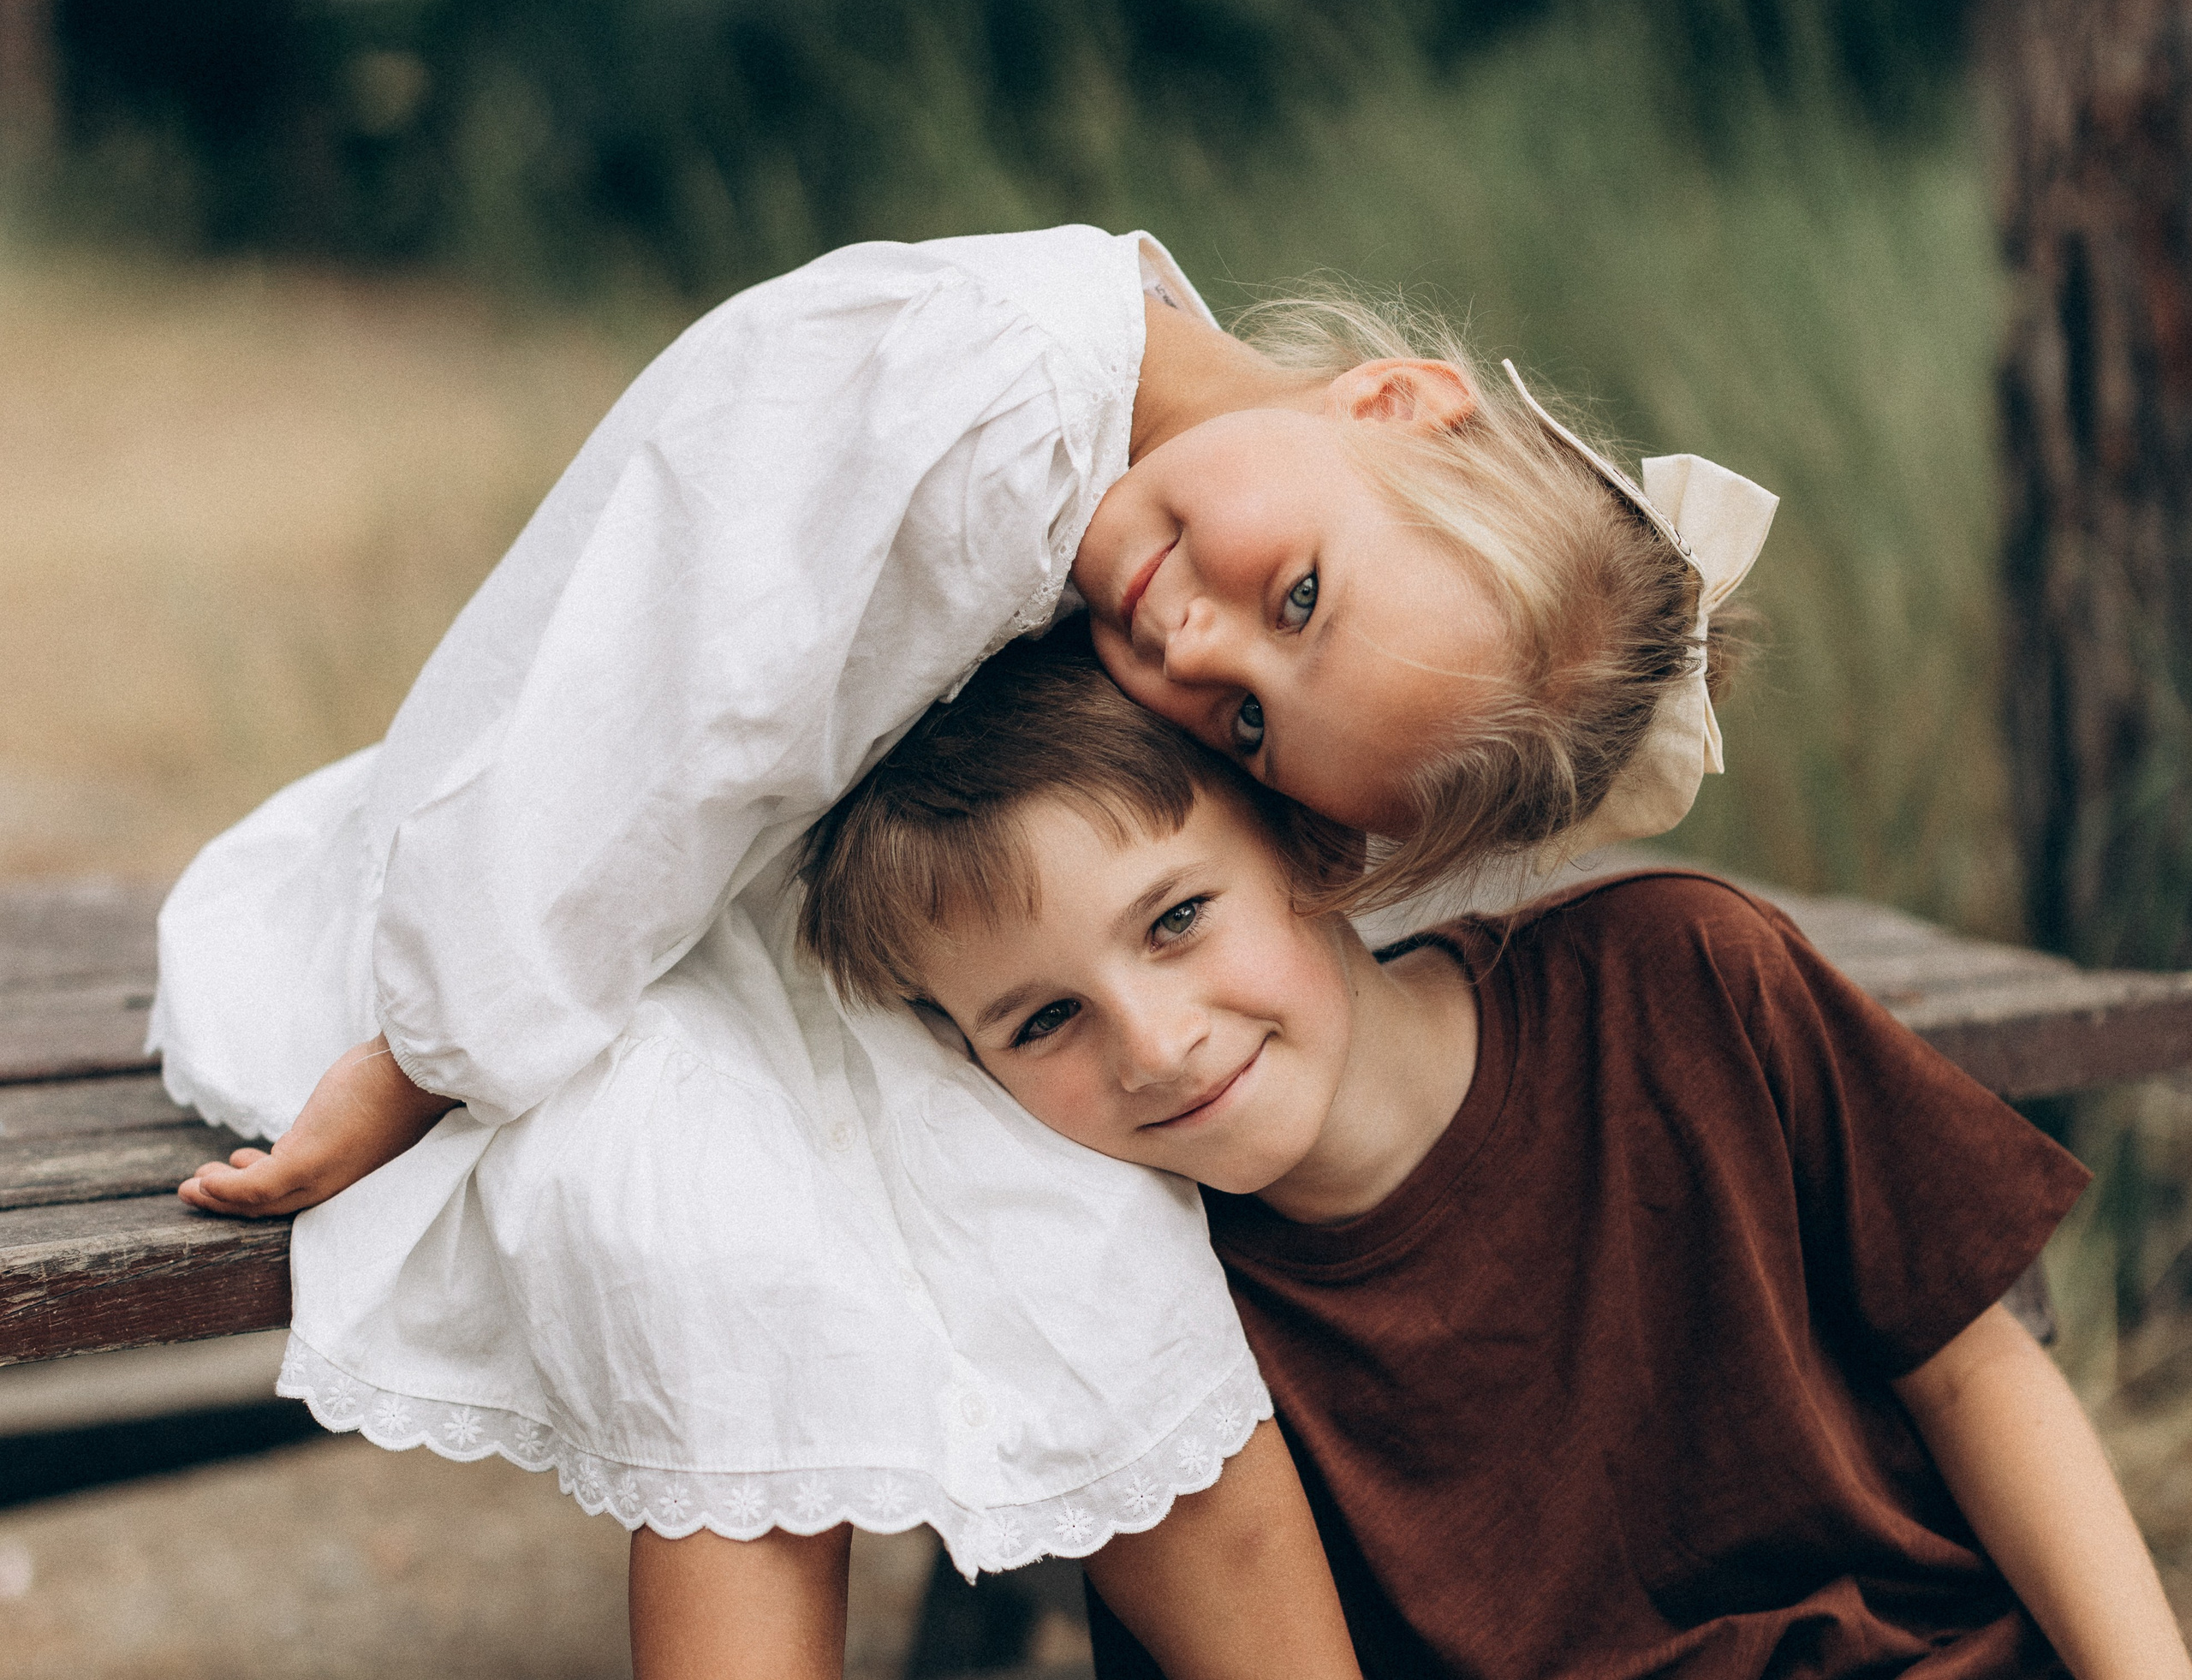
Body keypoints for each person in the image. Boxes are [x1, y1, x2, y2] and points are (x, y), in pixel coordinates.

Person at [150, 223, 1768, 1674]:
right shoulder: (964, 391)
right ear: (1391, 403)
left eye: (1249, 721)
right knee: (723, 1262)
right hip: (567, 897)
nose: (1191, 645)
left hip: (862, 930)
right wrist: (425, 1054)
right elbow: (628, 742)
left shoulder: (1184, 489)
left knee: (1101, 1261)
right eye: (1296, 596)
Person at [802, 623, 2190, 1680]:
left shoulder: (1685, 979)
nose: (1155, 1044)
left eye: (1175, 920)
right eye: (1044, 1018)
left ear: (1310, 842)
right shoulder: (1147, 1315)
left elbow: (1973, 1369)